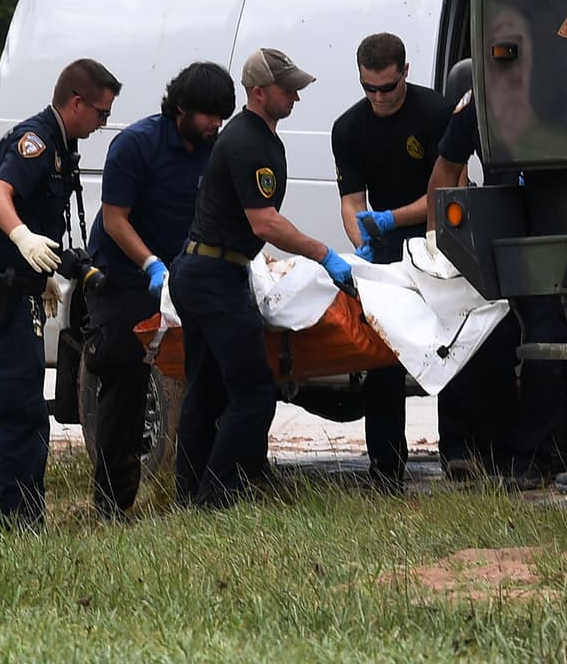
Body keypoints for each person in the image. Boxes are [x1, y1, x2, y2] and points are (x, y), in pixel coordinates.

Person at [171, 47, 352, 509]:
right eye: (287, 88)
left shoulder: (254, 137)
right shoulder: (249, 142)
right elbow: (264, 222)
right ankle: (217, 499)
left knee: (208, 390)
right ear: (258, 92)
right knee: (253, 393)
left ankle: (191, 493)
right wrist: (322, 253)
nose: (296, 96)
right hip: (215, 275)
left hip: (205, 270)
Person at [0, 59, 122, 536]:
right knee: (23, 414)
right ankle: (22, 526)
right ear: (76, 102)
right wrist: (23, 240)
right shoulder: (36, 140)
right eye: (100, 113)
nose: (101, 124)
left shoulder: (61, 145)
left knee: (14, 410)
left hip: (20, 289)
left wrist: (45, 272)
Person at [426, 80, 567, 489]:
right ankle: (534, 455)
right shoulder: (482, 96)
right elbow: (445, 169)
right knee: (531, 339)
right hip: (515, 236)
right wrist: (436, 244)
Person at [84, 61, 236, 517]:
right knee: (125, 385)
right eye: (209, 115)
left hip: (185, 277)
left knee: (211, 378)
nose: (216, 124)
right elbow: (115, 219)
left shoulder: (216, 151)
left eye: (222, 116)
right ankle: (112, 505)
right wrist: (151, 264)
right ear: (182, 108)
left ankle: (202, 492)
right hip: (125, 277)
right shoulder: (136, 144)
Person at [329, 32, 454, 491]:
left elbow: (444, 194)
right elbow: (351, 200)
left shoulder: (436, 113)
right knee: (382, 360)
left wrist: (391, 218)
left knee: (449, 352)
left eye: (388, 87)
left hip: (436, 240)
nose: (379, 97)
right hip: (383, 249)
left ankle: (461, 458)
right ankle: (385, 469)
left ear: (405, 73)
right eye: (370, 89)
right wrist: (360, 237)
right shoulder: (348, 128)